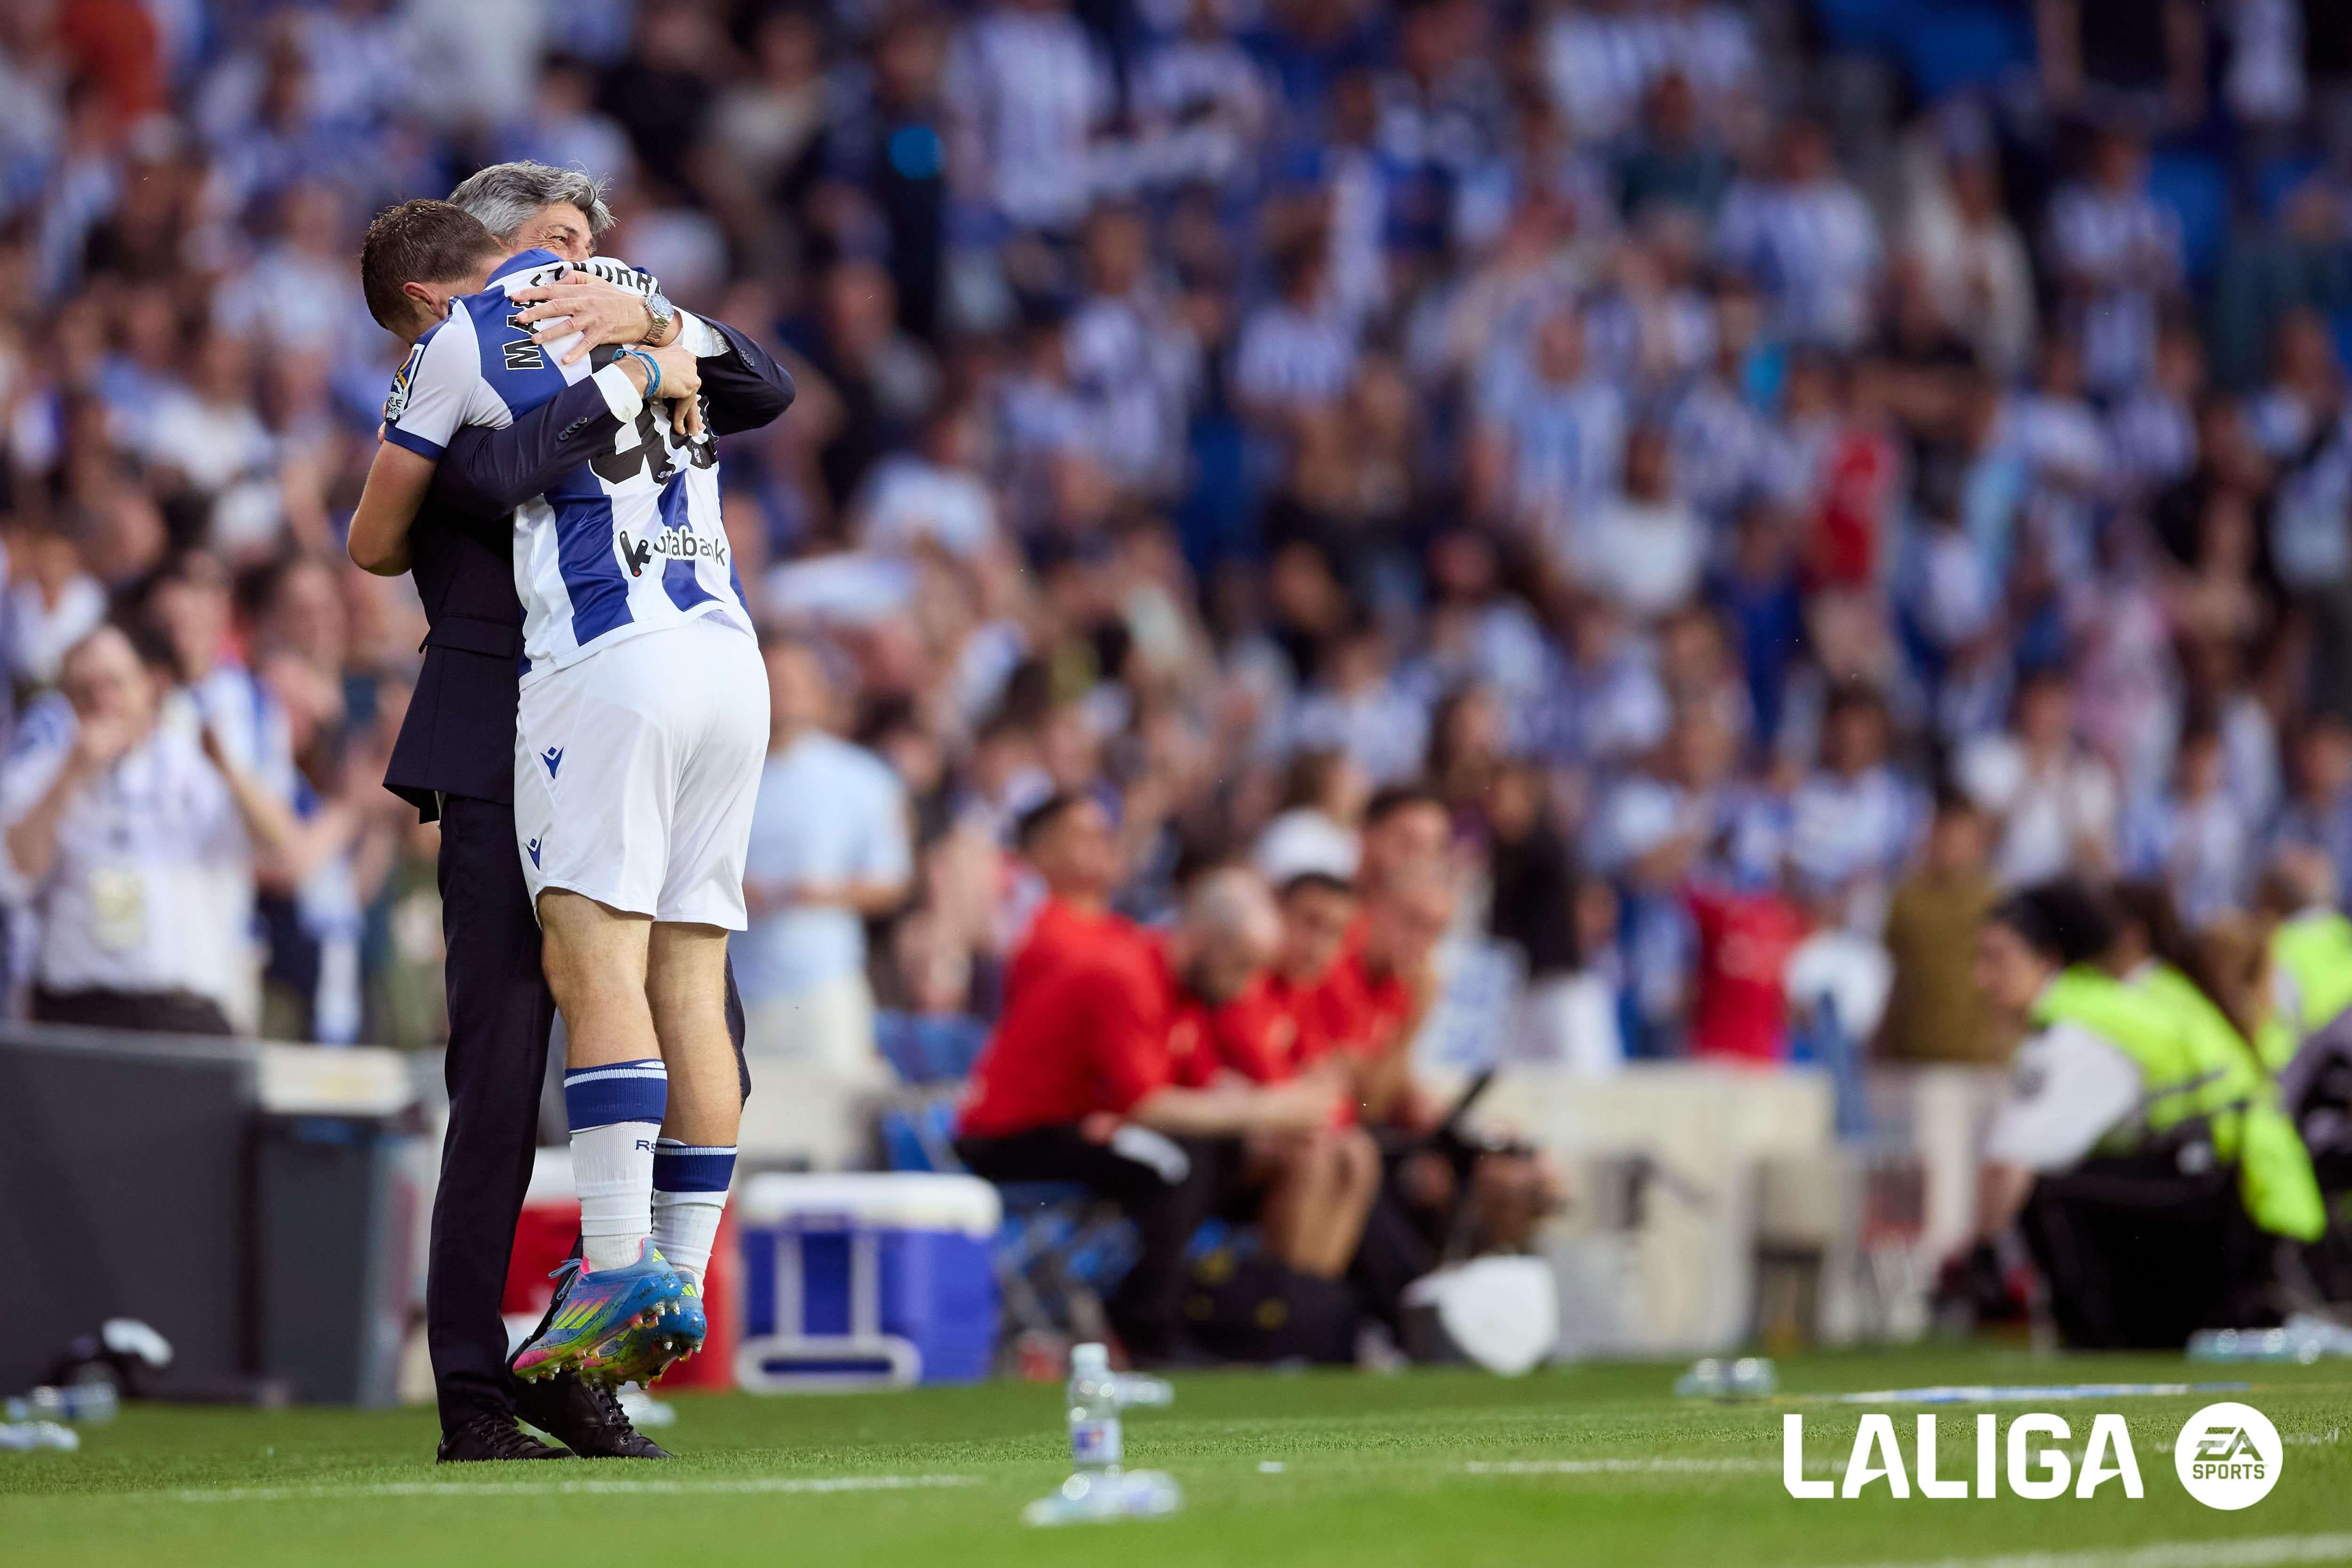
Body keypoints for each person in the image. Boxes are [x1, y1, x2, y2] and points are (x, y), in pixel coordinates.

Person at [349, 171, 792, 1462]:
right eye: (554, 244)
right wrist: (631, 371)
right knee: (500, 1076)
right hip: (511, 725)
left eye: (591, 247)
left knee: (698, 1022)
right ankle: (478, 1389)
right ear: (479, 256)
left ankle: (592, 1348)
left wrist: (657, 333)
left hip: (614, 689)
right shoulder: (458, 355)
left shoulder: (613, 317)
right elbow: (402, 526)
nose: (580, 264)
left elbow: (760, 384)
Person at [954, 867, 1342, 1361]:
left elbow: (1190, 1094)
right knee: (1173, 1162)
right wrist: (1266, 1108)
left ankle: (1264, 1314)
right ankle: (1142, 1328)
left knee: (1211, 1151)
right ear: (1202, 940)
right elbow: (1148, 1104)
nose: (1244, 985)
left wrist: (1257, 1115)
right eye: (1240, 966)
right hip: (1011, 1135)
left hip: (1084, 1128)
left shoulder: (1184, 990)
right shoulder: (1128, 975)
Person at [1965, 879, 2318, 1347]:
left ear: (2047, 958)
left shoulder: (2081, 1022)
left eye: (1996, 958)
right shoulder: (2140, 997)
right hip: (2258, 1180)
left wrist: (1980, 1256)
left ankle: (2098, 1339)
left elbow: (2013, 1160)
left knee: (2048, 1193)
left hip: (2232, 1187)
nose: (1979, 978)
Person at [0, 625, 297, 1035]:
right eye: (85, 691)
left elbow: (282, 847)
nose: (103, 701)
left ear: (149, 686)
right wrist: (70, 775)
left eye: (115, 684)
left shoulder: (194, 766)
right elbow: (16, 870)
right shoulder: (45, 767)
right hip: (78, 1008)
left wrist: (229, 769)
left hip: (184, 1012)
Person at [737, 637, 912, 1076]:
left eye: (796, 681)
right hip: (733, 985)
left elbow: (892, 881)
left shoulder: (862, 777)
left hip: (823, 985)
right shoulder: (720, 772)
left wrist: (819, 894)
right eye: (773, 680)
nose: (784, 693)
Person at [1212, 872, 1383, 1279]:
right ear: (1275, 914)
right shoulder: (1245, 982)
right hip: (1215, 1147)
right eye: (1309, 923)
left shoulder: (1302, 993)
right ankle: (1282, 1307)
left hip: (1264, 1136)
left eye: (1334, 933)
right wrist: (1314, 1091)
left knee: (1357, 1153)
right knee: (1315, 1157)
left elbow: (1340, 1105)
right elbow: (1289, 1097)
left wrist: (1315, 1093)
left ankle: (1313, 1302)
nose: (1319, 944)